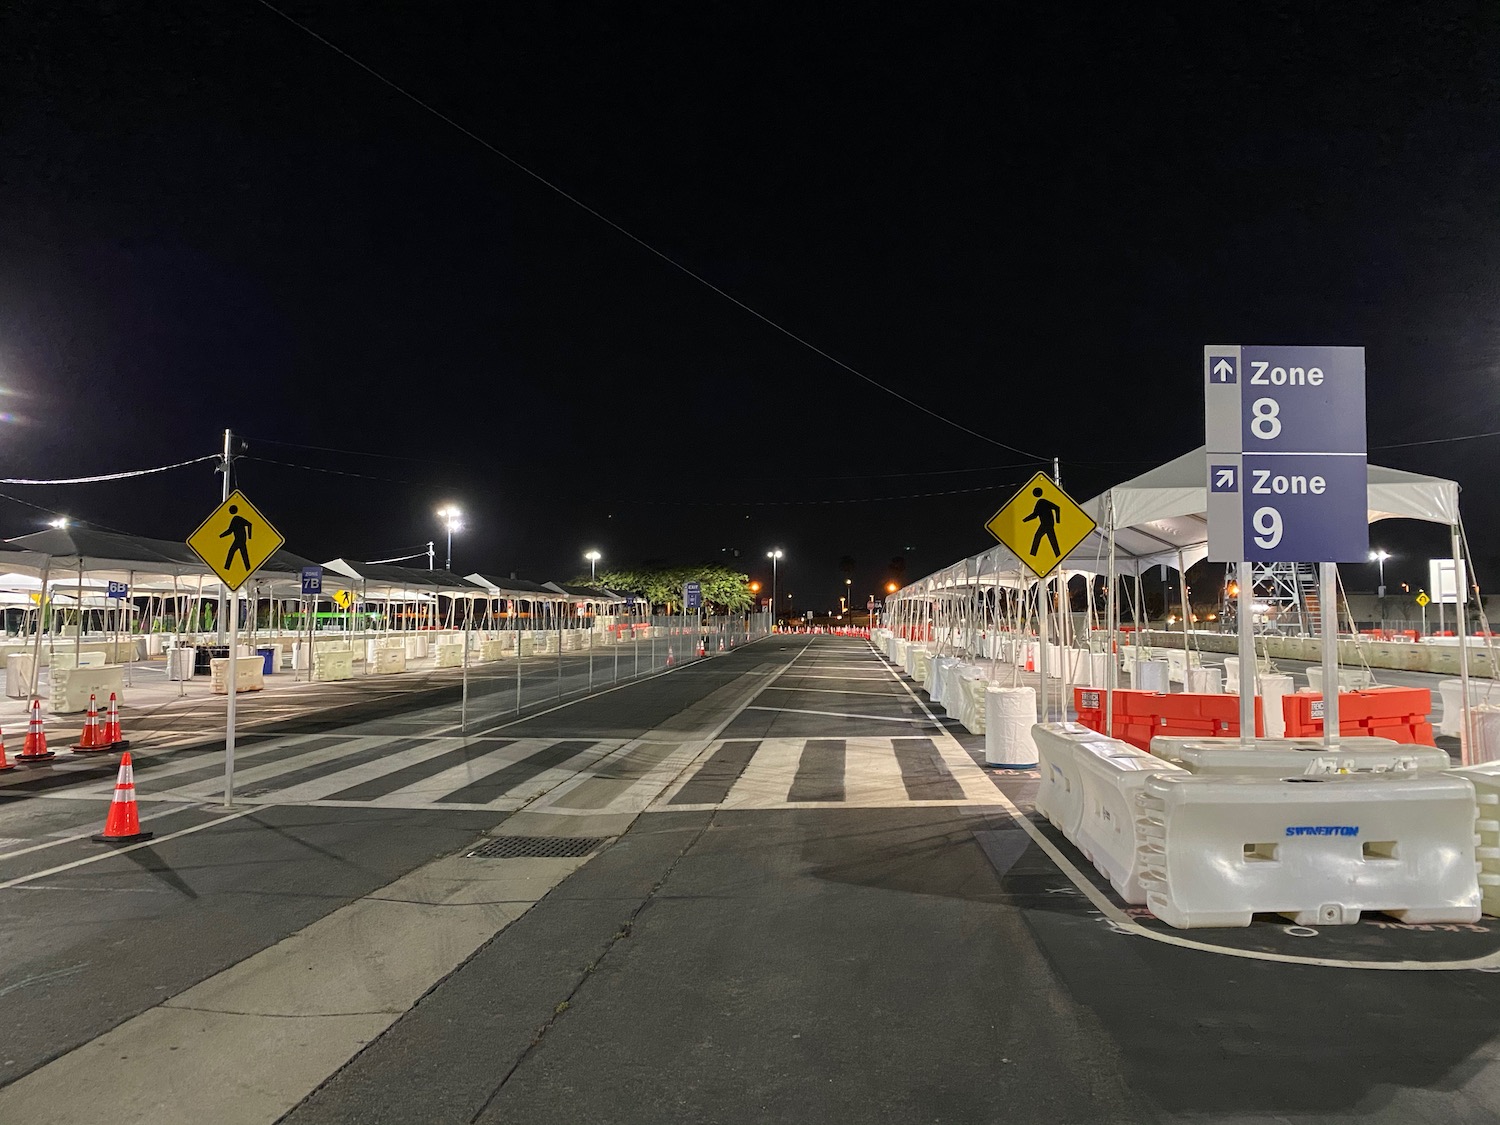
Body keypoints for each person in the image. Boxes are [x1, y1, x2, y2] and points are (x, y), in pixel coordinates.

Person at [1022, 487, 1061, 557]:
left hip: (1046, 524)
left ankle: (1032, 555)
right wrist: (1024, 520)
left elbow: (1057, 508)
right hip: (1047, 524)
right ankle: (1057, 555)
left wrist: (1058, 520)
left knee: (1038, 537)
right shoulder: (1041, 502)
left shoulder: (1042, 502)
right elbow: (1035, 515)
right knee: (1052, 540)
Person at [219, 504, 253, 571]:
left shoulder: (237, 519)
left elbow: (249, 524)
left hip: (239, 540)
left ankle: (226, 568)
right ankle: (247, 568)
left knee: (232, 552)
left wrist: (249, 536)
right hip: (240, 540)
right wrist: (221, 536)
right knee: (243, 554)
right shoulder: (235, 519)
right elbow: (230, 531)